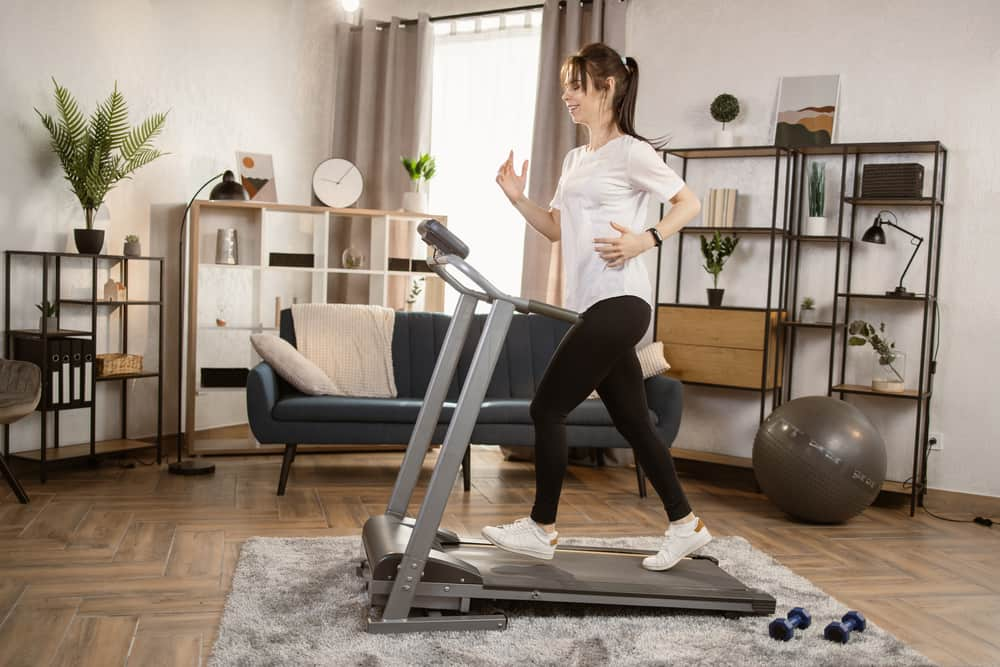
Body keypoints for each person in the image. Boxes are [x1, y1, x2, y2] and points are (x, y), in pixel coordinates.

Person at [481, 42, 708, 571]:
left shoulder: (631, 151)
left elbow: (688, 203)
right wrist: (516, 198)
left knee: (546, 408)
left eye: (576, 86)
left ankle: (541, 527)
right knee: (634, 422)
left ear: (607, 87)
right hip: (593, 306)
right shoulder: (576, 158)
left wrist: (645, 238)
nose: (567, 95)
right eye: (565, 85)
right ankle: (685, 524)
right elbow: (558, 230)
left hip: (622, 300)